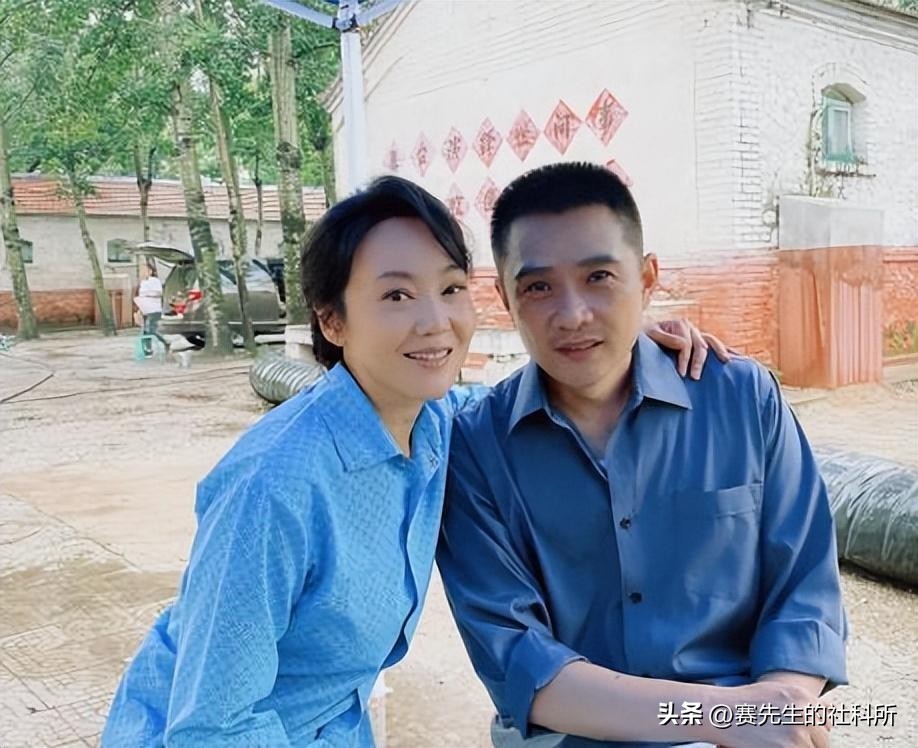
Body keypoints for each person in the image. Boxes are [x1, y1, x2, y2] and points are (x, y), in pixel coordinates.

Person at [102, 175, 717, 747]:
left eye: (450, 289)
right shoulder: (275, 484)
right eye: (396, 294)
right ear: (332, 320)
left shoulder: (436, 423)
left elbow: (522, 397)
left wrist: (624, 340)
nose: (435, 323)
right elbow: (210, 726)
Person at [437, 162, 847, 748]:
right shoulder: (476, 447)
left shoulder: (740, 399)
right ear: (505, 298)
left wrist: (781, 702)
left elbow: (805, 590)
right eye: (538, 287)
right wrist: (727, 716)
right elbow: (521, 661)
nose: (573, 314)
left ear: (648, 278)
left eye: (599, 276)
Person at [134, 262, 166, 355]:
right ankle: (147, 350)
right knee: (144, 331)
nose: (142, 272)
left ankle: (165, 342)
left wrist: (147, 294)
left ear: (150, 271)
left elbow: (159, 293)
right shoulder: (143, 283)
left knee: (151, 330)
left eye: (144, 270)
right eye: (141, 271)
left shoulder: (155, 281)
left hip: (154, 309)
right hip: (145, 309)